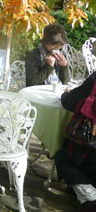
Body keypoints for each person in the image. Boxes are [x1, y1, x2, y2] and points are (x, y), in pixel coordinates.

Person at [55, 71, 96, 212]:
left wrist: (66, 94)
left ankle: (90, 199)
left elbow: (70, 102)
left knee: (63, 158)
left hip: (91, 147)